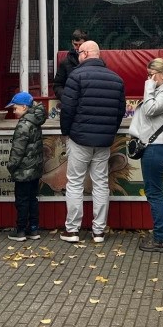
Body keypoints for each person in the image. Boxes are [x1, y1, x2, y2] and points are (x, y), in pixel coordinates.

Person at [59, 40, 125, 243]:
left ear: (86, 54)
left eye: (79, 53)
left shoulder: (76, 76)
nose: (77, 56)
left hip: (80, 140)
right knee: (101, 184)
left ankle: (72, 230)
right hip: (104, 142)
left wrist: (66, 132)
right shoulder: (116, 79)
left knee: (75, 183)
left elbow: (67, 109)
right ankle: (99, 231)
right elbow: (120, 112)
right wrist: (109, 133)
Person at [129, 57, 163, 253]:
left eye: (151, 75)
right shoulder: (162, 90)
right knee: (155, 193)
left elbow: (150, 110)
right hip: (156, 147)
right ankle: (161, 235)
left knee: (154, 194)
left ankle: (161, 240)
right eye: (147, 75)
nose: (149, 79)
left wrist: (148, 87)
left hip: (157, 148)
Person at [5, 91, 45, 241]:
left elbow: (17, 150)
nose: (14, 111)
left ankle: (21, 230)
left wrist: (11, 166)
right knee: (32, 199)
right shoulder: (36, 121)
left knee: (21, 200)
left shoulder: (23, 125)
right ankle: (33, 229)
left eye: (15, 108)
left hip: (23, 170)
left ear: (24, 107)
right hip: (35, 169)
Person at [53, 29, 88, 100]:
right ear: (72, 43)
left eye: (80, 45)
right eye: (75, 44)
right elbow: (57, 85)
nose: (78, 48)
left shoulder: (94, 60)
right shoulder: (65, 63)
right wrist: (66, 97)